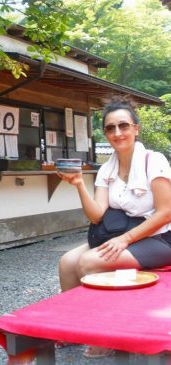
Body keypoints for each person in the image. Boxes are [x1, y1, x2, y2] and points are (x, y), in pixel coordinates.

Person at [57, 98, 171, 358]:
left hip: (160, 236)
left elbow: (166, 212)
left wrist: (126, 239)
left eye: (123, 126)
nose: (117, 133)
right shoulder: (107, 168)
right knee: (67, 262)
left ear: (136, 128)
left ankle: (105, 333)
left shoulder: (153, 160)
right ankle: (76, 327)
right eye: (110, 128)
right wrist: (78, 185)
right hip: (121, 234)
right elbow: (97, 215)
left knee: (89, 262)